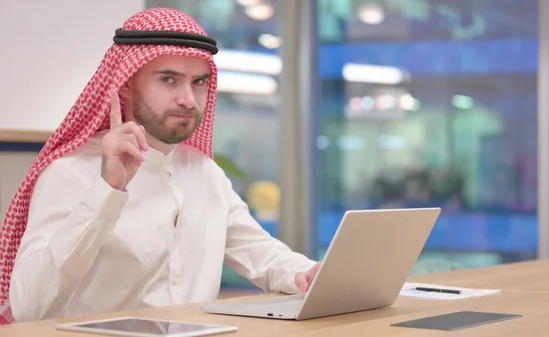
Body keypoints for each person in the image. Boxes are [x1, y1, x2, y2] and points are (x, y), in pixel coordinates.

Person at [0, 8, 320, 324]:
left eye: (198, 82)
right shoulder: (73, 171)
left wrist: (308, 274)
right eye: (169, 79)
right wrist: (108, 190)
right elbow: (30, 308)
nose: (189, 100)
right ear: (126, 84)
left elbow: (262, 255)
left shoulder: (204, 173)